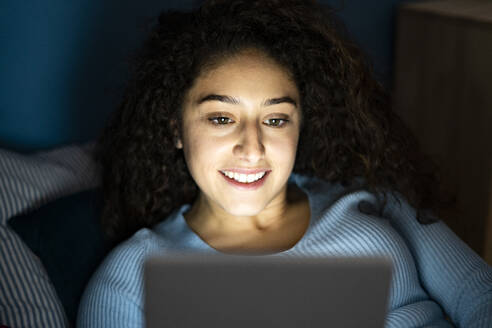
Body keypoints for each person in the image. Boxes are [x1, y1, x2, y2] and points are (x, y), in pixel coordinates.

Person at [77, 0, 492, 327]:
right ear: (176, 130)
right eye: (222, 118)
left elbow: (480, 295)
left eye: (275, 119)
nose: (253, 148)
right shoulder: (130, 279)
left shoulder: (372, 197)